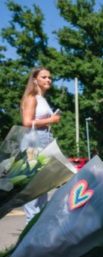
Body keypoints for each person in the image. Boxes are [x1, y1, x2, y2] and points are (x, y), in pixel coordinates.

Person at [20, 66, 61, 224]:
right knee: (33, 186)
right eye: (44, 77)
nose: (48, 80)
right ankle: (30, 226)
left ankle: (38, 228)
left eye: (49, 77)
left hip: (44, 139)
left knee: (42, 185)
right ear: (35, 79)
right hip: (33, 141)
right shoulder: (32, 97)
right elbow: (27, 122)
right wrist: (51, 120)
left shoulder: (42, 99)